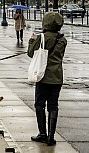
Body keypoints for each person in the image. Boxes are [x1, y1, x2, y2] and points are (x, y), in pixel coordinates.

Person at [27, 12, 67, 146]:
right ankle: (51, 136)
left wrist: (32, 40)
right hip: (57, 77)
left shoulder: (42, 37)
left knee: (39, 104)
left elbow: (30, 53)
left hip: (42, 76)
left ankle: (42, 133)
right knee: (53, 106)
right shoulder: (62, 39)